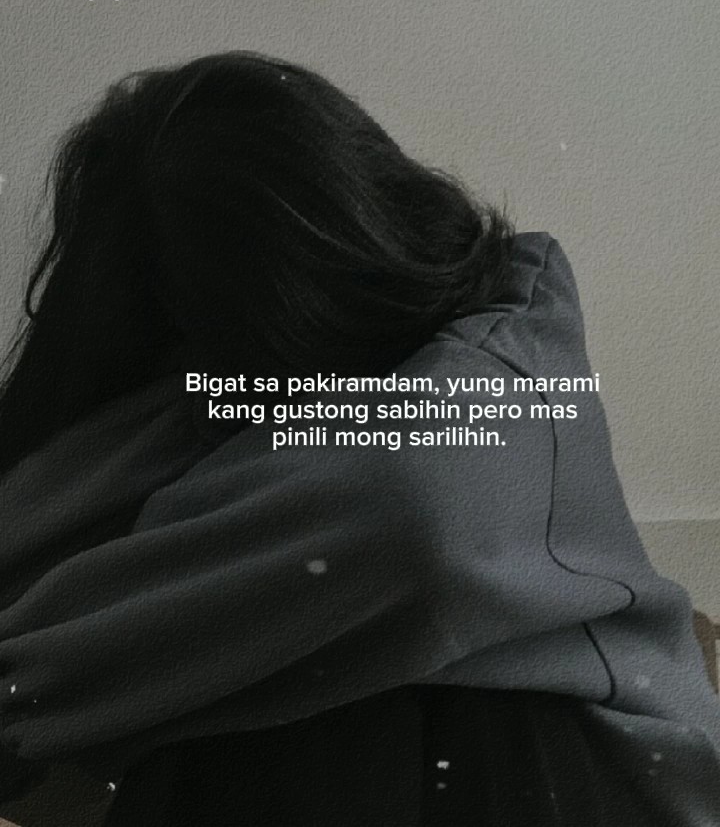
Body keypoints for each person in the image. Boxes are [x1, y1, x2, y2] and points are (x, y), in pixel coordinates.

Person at [0, 50, 719, 826]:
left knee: (345, 719)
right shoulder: (199, 397)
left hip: (585, 771)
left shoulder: (499, 368)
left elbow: (420, 517)